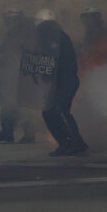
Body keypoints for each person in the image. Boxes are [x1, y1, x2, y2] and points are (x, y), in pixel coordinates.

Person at [32, 9, 86, 156]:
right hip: (59, 82)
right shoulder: (52, 37)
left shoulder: (54, 38)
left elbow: (52, 62)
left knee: (59, 110)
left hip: (64, 82)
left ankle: (76, 142)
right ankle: (66, 143)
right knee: (49, 113)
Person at [0, 9, 33, 143]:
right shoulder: (8, 35)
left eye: (14, 20)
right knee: (6, 105)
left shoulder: (25, 35)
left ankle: (29, 134)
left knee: (23, 107)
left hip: (20, 75)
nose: (11, 23)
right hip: (8, 75)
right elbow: (2, 53)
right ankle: (7, 132)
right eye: (10, 20)